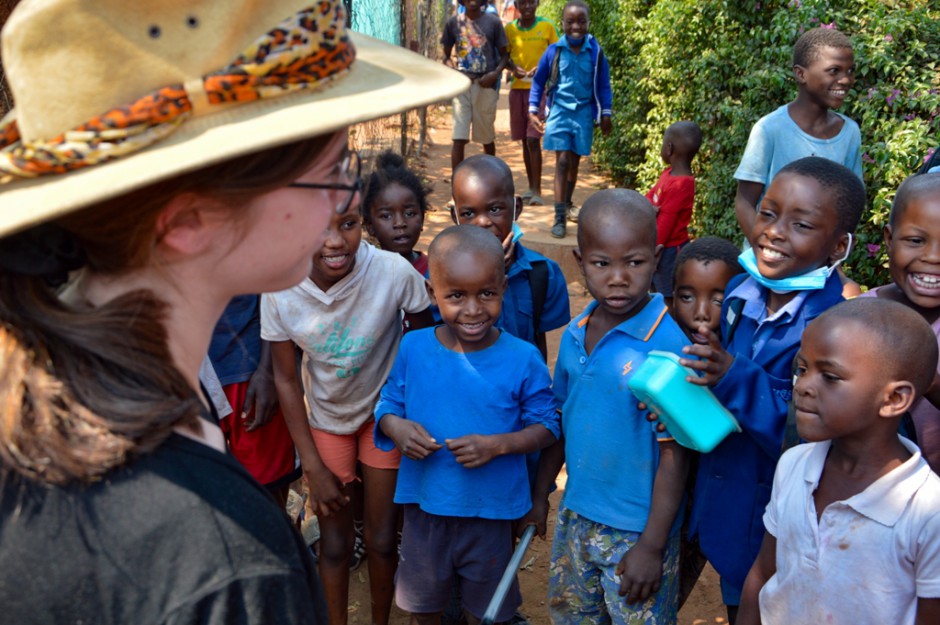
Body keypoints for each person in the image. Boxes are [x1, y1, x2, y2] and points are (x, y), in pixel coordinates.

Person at [0, 0, 467, 623]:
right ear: (191, 222)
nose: (341, 202)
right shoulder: (225, 561)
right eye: (332, 172)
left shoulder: (67, 405)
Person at [679, 156, 865, 623]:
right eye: (767, 212)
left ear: (838, 245)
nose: (774, 232)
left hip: (777, 529)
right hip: (725, 507)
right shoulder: (740, 294)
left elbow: (810, 431)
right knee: (736, 598)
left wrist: (733, 378)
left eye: (800, 224)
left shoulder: (835, 327)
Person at [261, 188, 435, 625]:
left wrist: (404, 410)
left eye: (348, 224)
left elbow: (425, 343)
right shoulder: (280, 287)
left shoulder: (393, 273)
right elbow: (284, 376)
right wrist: (312, 467)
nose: (335, 241)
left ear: (364, 224)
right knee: (335, 544)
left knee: (380, 539)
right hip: (326, 419)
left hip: (385, 419)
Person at [374, 224, 560, 625]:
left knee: (485, 614)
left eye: (486, 294)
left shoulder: (523, 358)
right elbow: (388, 403)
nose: (473, 309)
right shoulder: (414, 348)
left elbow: (547, 426)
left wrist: (497, 445)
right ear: (431, 292)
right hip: (424, 512)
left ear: (504, 289)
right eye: (456, 295)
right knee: (424, 611)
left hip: (491, 517)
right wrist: (396, 427)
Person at [524, 189, 691, 624]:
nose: (618, 277)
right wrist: (542, 494)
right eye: (602, 264)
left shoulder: (670, 347)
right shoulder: (576, 333)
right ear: (580, 263)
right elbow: (564, 419)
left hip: (638, 531)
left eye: (634, 263)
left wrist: (652, 546)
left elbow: (676, 454)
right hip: (577, 515)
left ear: (656, 258)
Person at [737, 298, 940, 625]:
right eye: (802, 370)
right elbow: (763, 573)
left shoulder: (927, 510)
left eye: (829, 376)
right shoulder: (794, 465)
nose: (803, 386)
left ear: (893, 399)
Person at [668, 236, 744, 607]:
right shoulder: (661, 352)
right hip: (670, 505)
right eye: (687, 297)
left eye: (717, 299)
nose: (701, 312)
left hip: (719, 502)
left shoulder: (740, 357)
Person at [733, 27, 862, 237]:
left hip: (818, 265)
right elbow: (745, 202)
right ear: (801, 74)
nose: (846, 80)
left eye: (850, 71)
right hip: (770, 256)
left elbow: (849, 203)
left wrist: (832, 256)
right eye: (834, 70)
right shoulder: (769, 130)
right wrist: (764, 250)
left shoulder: (849, 133)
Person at [450, 154, 570, 360]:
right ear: (455, 217)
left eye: (495, 209)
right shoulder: (444, 278)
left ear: (517, 208)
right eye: (469, 214)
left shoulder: (542, 274)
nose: (483, 223)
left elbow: (538, 343)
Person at [860, 172, 940, 472]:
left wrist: (930, 381)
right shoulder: (858, 316)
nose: (933, 257)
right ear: (889, 240)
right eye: (916, 241)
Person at [528, 0, 613, 238]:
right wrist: (533, 110)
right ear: (562, 23)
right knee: (562, 160)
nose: (576, 26)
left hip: (584, 114)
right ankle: (558, 217)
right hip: (560, 113)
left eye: (581, 21)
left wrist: (606, 113)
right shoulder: (554, 51)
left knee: (574, 163)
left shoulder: (595, 53)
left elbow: (604, 85)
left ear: (588, 23)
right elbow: (538, 81)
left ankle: (566, 203)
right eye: (570, 22)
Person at [210, 295, 300, 508]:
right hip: (189, 379)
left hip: (248, 375)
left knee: (268, 495)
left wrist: (267, 371)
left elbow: (274, 292)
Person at [362, 150, 432, 333]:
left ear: (422, 218)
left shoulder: (435, 272)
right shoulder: (363, 274)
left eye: (409, 213)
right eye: (386, 216)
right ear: (369, 225)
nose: (400, 223)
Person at [442, 0, 509, 174]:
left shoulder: (493, 22)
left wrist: (494, 74)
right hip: (462, 87)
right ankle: (456, 188)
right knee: (459, 137)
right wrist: (454, 71)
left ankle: (493, 179)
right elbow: (446, 56)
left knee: (486, 137)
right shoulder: (453, 23)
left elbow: (504, 55)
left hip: (485, 86)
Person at [505, 0, 558, 207]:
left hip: (539, 91)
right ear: (517, 4)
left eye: (531, 2)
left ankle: (537, 190)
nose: (527, 7)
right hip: (517, 90)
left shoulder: (547, 27)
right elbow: (504, 56)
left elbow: (558, 54)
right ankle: (530, 186)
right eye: (523, 3)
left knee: (533, 139)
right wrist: (512, 68)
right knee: (524, 141)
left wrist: (543, 67)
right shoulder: (509, 29)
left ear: (537, 4)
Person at [647, 121, 702, 306]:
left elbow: (665, 224)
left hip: (669, 249)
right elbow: (652, 195)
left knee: (667, 294)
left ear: (669, 148)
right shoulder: (668, 173)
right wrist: (644, 205)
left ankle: (667, 325)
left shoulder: (682, 184)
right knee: (655, 287)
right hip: (659, 245)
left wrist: (652, 251)